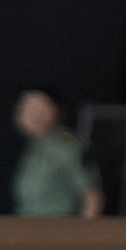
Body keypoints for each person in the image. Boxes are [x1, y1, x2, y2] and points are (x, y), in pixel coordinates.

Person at [13, 89, 103, 218]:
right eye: (29, 109)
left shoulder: (67, 148)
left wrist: (85, 229)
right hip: (27, 223)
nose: (36, 116)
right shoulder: (32, 150)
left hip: (58, 224)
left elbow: (92, 196)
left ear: (55, 110)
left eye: (41, 109)